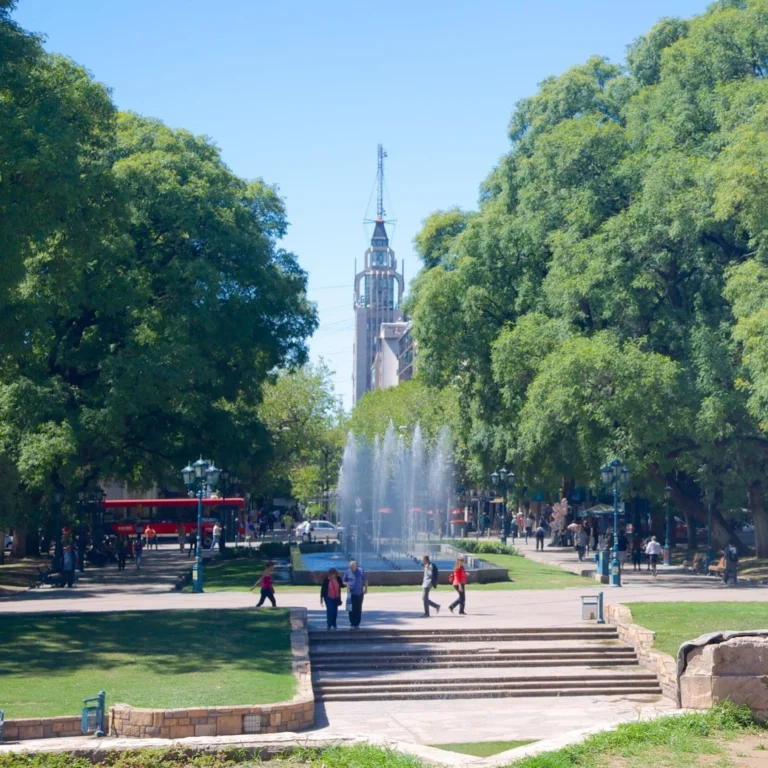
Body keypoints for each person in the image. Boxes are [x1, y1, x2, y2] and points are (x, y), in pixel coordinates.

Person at [343, 559, 368, 629]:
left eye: (353, 567)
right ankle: (352, 623)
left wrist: (366, 589)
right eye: (351, 567)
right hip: (351, 594)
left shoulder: (360, 571)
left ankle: (357, 623)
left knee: (358, 608)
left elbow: (365, 579)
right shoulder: (348, 572)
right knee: (351, 609)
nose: (352, 569)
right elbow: (343, 581)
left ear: (356, 566)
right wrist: (346, 584)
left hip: (359, 593)